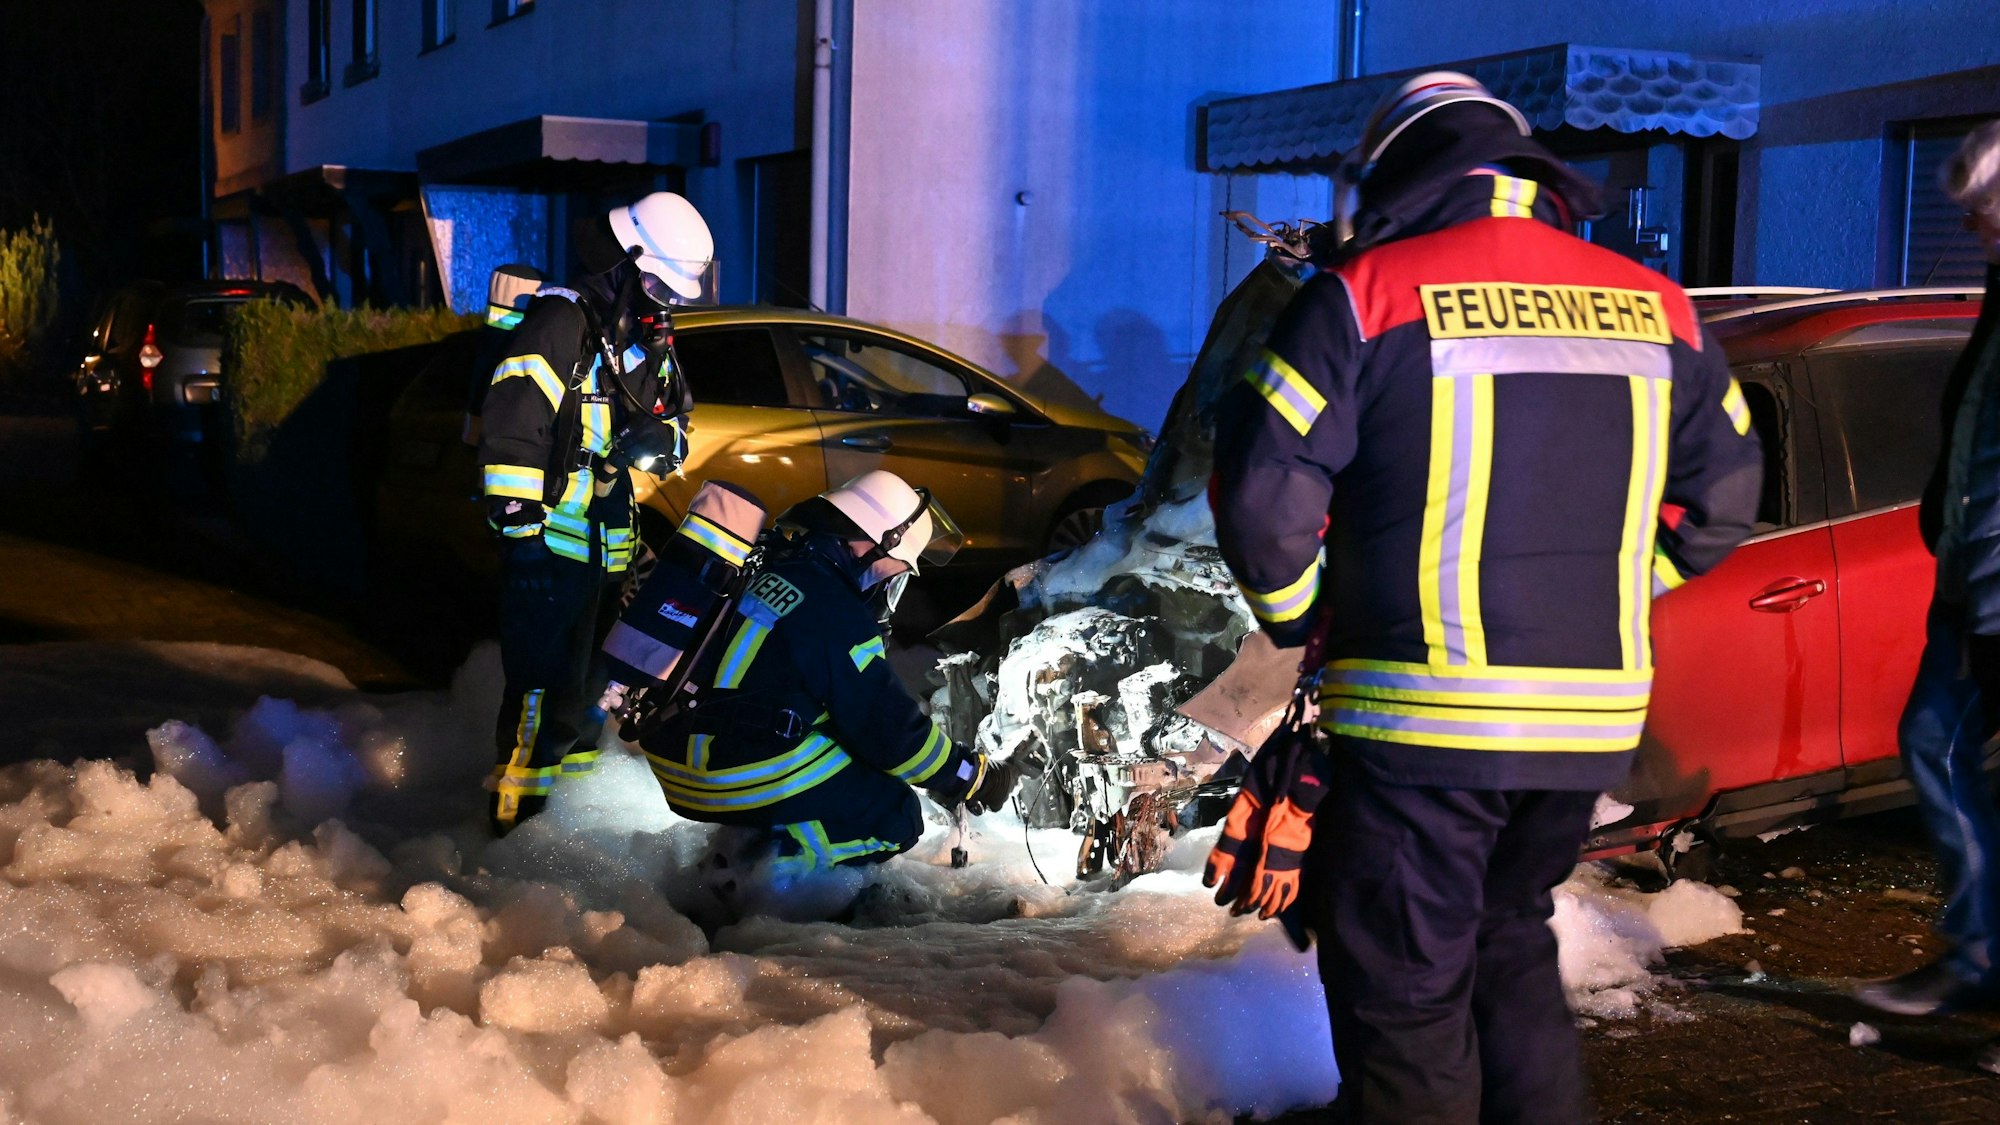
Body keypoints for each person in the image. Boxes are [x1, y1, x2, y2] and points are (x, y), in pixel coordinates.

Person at [1206, 73, 1762, 1122]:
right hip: (1584, 727)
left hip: (1419, 720)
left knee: (1405, 989)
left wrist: (1305, 616)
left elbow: (1262, 497)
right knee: (1507, 941)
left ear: (1393, 174)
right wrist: (1608, 590)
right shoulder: (1657, 304)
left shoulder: (1364, 296)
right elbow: (1724, 499)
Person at [633, 470, 1018, 876]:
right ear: (868, 543)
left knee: (837, 752)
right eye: (895, 568)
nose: (889, 582)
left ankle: (750, 841)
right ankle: (756, 874)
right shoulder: (836, 611)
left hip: (674, 747)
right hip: (723, 773)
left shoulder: (769, 559)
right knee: (894, 815)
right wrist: (969, 775)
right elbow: (889, 732)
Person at [477, 191, 712, 835]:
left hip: (608, 548)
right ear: (625, 263)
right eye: (659, 284)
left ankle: (566, 827)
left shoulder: (644, 337)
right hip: (550, 544)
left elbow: (678, 429)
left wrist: (662, 442)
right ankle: (515, 823)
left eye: (674, 292)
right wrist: (521, 535)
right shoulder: (562, 321)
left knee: (589, 691)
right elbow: (514, 424)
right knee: (541, 687)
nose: (666, 301)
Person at [1853, 121, 2000, 1025]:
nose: (1971, 226)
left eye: (1982, 210)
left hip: (1990, 599)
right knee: (1932, 742)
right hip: (1973, 588)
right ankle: (1980, 955)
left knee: (1937, 743)